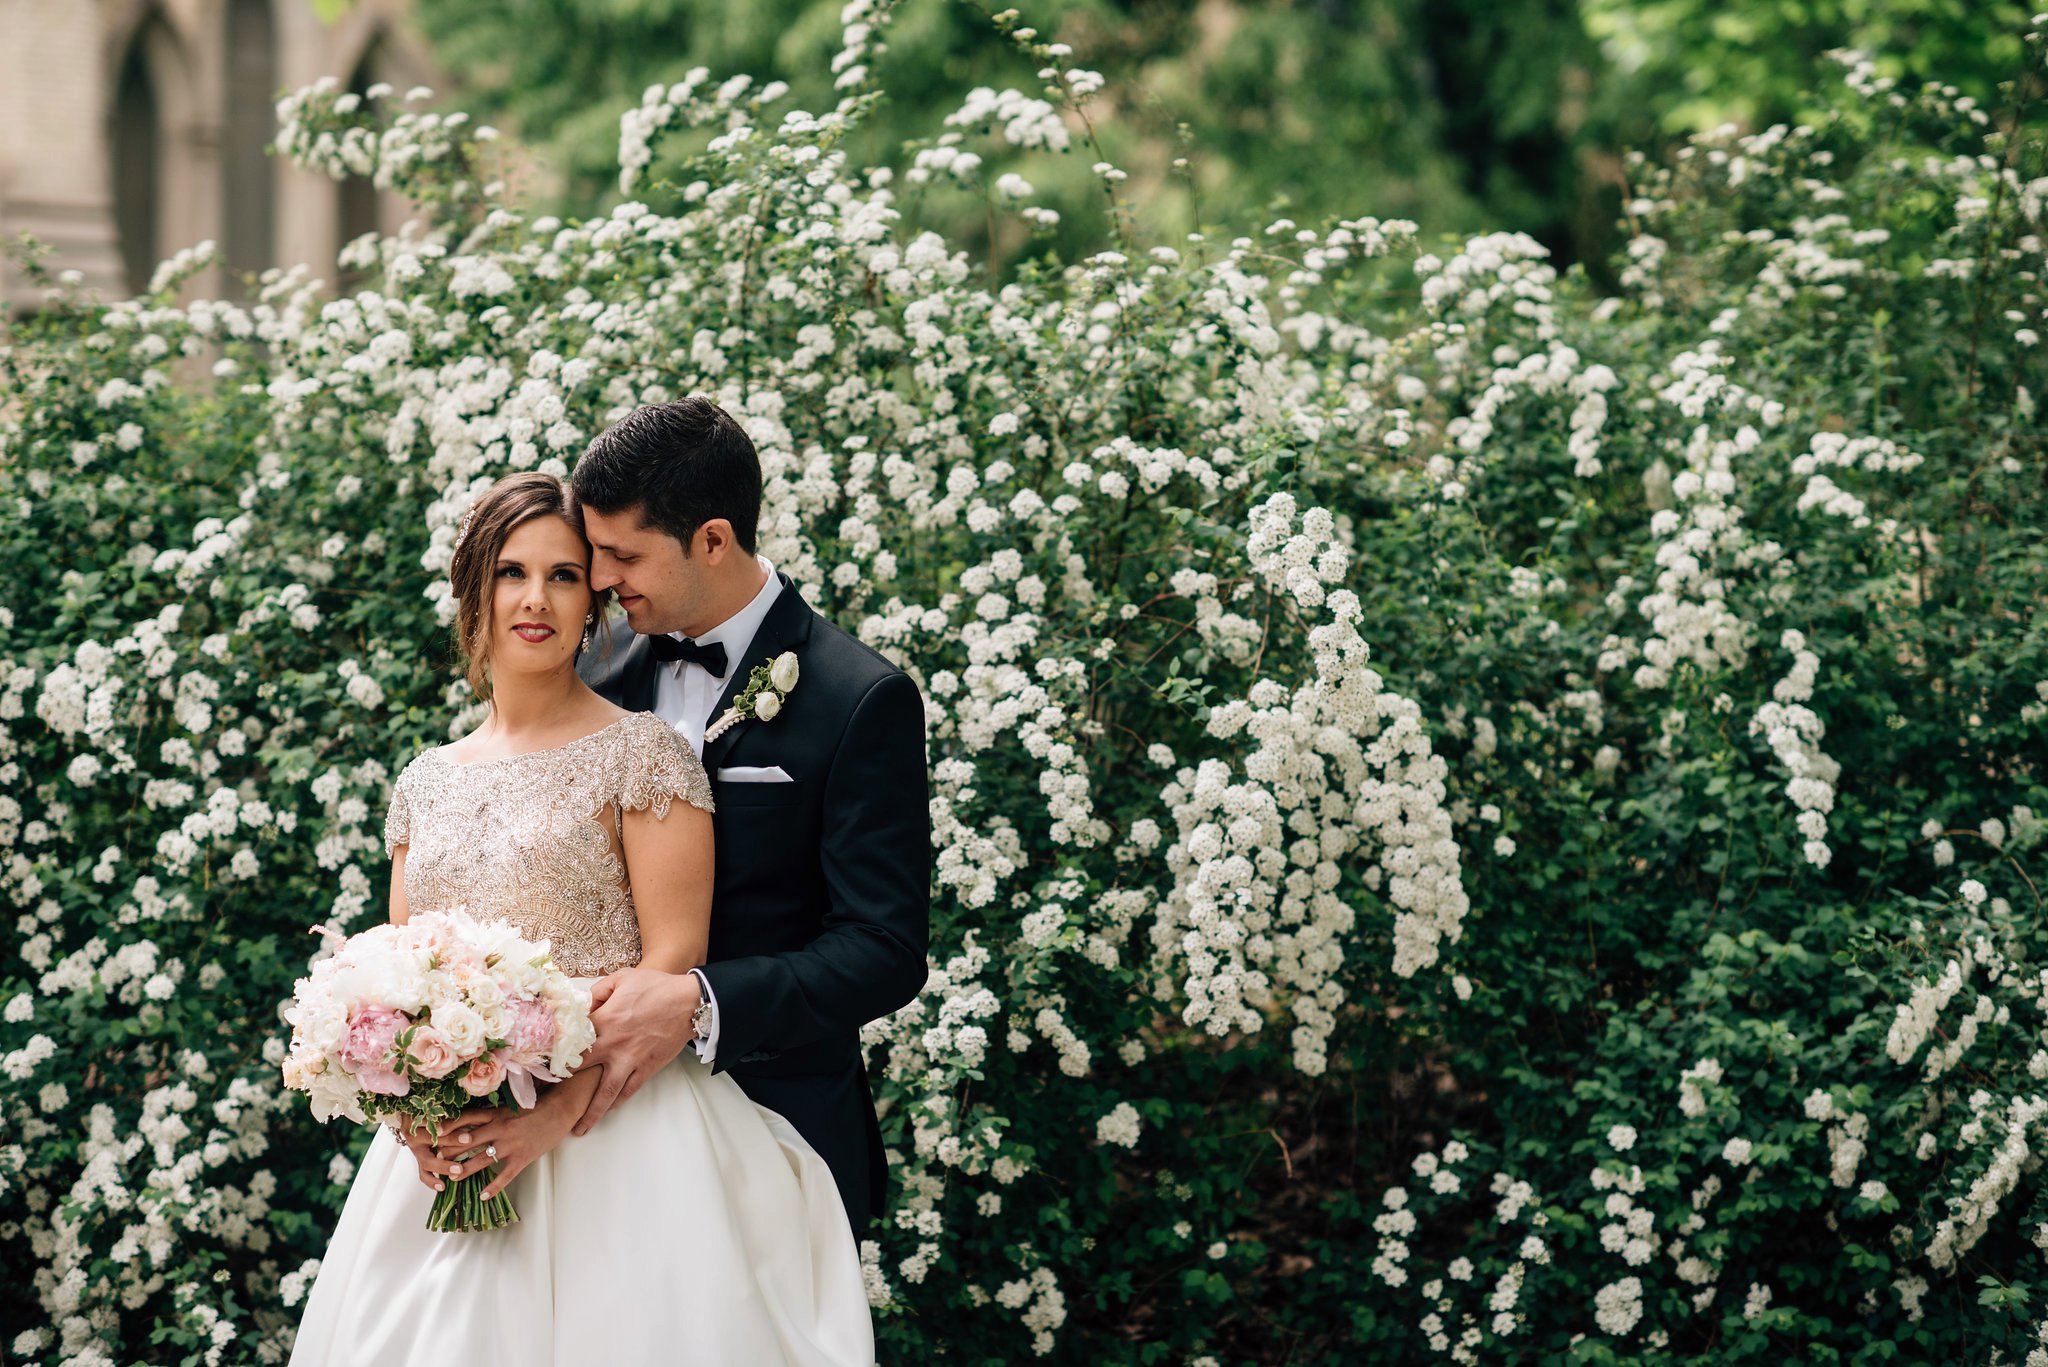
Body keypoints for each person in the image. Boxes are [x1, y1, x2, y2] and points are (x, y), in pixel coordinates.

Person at [288, 471, 875, 1366]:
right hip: (456, 1150)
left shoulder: (643, 751)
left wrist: (554, 1112)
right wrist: (412, 1110)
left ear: (593, 598)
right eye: (512, 572)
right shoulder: (423, 782)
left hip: (619, 1134)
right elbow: (399, 976)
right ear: (472, 588)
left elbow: (676, 958)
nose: (536, 598)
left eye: (565, 576)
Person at [563, 398, 931, 1234]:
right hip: (594, 1135)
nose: (600, 580)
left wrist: (698, 1001)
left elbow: (885, 948)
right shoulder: (591, 666)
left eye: (622, 554)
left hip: (777, 1124)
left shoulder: (859, 697)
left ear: (714, 539)